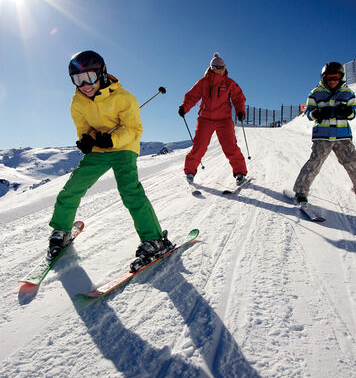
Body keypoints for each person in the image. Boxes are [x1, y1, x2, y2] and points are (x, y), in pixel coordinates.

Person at [49, 50, 173, 271]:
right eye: (78, 80)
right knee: (72, 188)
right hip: (98, 150)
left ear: (102, 73)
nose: (85, 84)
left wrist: (113, 139)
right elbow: (83, 129)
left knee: (130, 191)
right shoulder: (77, 102)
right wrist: (85, 140)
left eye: (89, 77)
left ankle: (155, 240)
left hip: (124, 148)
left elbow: (134, 130)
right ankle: (61, 231)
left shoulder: (124, 98)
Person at [292, 61, 356, 204]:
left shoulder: (348, 93)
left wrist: (347, 111)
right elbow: (309, 113)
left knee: (353, 162)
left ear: (341, 77)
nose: (333, 81)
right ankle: (301, 191)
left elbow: (353, 112)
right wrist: (318, 113)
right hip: (322, 136)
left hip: (343, 136)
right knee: (315, 163)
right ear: (324, 78)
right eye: (329, 78)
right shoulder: (316, 93)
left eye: (336, 77)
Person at [178, 52, 248, 186]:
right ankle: (190, 172)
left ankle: (240, 173)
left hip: (224, 120)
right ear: (212, 67)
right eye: (218, 67)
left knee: (230, 146)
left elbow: (238, 98)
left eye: (223, 67)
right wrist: (184, 107)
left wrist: (240, 111)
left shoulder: (229, 83)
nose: (221, 69)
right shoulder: (203, 82)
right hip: (205, 119)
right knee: (199, 146)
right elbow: (192, 95)